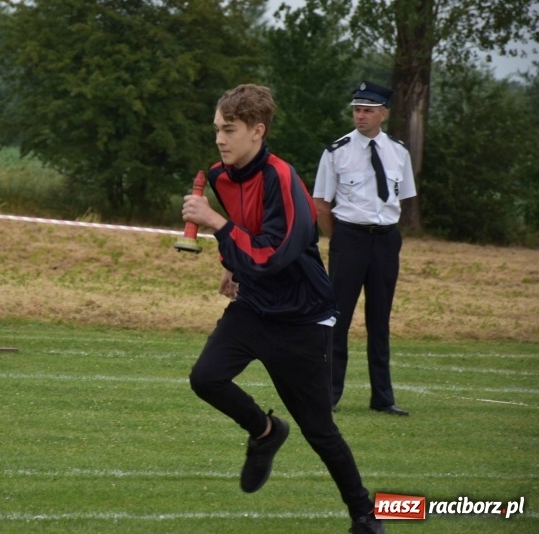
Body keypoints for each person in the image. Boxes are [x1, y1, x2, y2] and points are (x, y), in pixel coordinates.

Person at [183, 83, 384, 534]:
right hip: (254, 307)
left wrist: (216, 226)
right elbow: (244, 237)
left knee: (320, 430)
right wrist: (229, 263)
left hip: (301, 319)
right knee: (206, 378)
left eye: (229, 130)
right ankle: (266, 432)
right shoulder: (219, 176)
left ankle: (364, 515)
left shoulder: (284, 179)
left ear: (257, 131)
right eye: (217, 128)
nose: (219, 138)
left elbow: (272, 255)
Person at [313, 81, 417, 416]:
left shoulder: (398, 152)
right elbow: (320, 203)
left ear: (383, 114)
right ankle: (328, 394)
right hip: (349, 239)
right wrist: (340, 238)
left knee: (380, 319)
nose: (361, 116)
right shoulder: (337, 151)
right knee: (337, 318)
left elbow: (402, 197)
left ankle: (383, 398)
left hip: (386, 241)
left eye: (368, 110)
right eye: (357, 110)